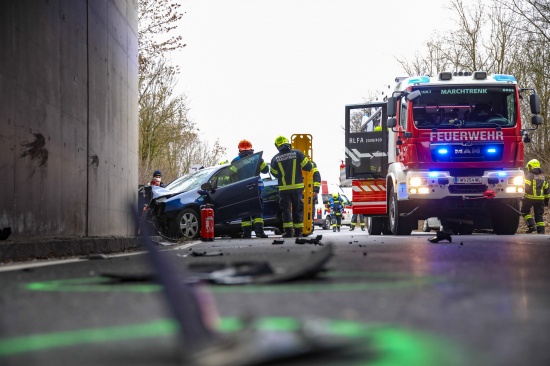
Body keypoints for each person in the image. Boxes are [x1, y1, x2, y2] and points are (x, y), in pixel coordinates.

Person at [270, 135, 312, 238]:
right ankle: (298, 232)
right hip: (297, 188)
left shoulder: (275, 158)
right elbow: (308, 167)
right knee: (297, 209)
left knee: (286, 210)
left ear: (277, 145)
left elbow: (274, 174)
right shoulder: (297, 153)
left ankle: (288, 232)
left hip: (284, 189)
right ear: (287, 143)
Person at [230, 139, 270, 239]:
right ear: (251, 148)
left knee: (245, 210)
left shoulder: (236, 160)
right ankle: (259, 232)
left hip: (242, 188)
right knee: (257, 209)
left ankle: (247, 234)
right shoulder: (257, 158)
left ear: (239, 149)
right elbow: (266, 170)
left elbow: (231, 175)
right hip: (256, 187)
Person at [521, 159, 549, 234]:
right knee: (539, 215)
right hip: (540, 200)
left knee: (524, 211)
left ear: (531, 166)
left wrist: (522, 196)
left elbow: (525, 187)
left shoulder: (529, 176)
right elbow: (547, 190)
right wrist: (546, 201)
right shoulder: (543, 177)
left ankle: (532, 225)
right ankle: (541, 232)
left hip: (529, 198)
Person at [310, 160, 321, 231]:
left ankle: (310, 226)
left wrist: (315, 191)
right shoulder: (313, 171)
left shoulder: (314, 171)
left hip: (311, 194)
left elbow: (317, 181)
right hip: (309, 193)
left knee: (310, 211)